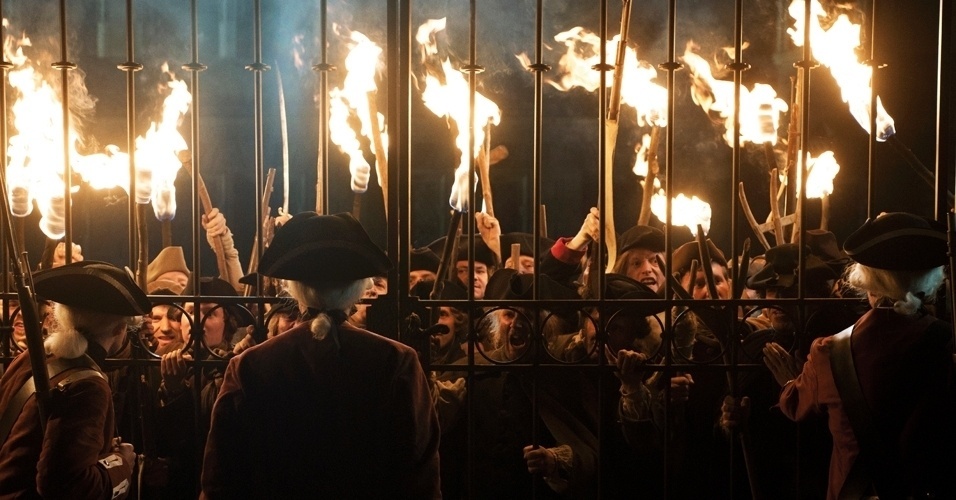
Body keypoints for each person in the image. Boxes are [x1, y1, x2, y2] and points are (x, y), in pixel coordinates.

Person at [201, 212, 440, 498]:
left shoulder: (251, 365)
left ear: (292, 287)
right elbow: (420, 474)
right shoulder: (396, 360)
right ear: (361, 287)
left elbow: (221, 478)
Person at [762, 212, 956, 499]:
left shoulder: (829, 351)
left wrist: (790, 384)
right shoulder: (945, 341)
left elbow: (795, 405)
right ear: (930, 278)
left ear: (865, 279)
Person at [0, 261, 151, 499]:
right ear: (119, 328)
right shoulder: (88, 385)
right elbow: (65, 485)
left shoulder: (31, 358)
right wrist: (121, 464)